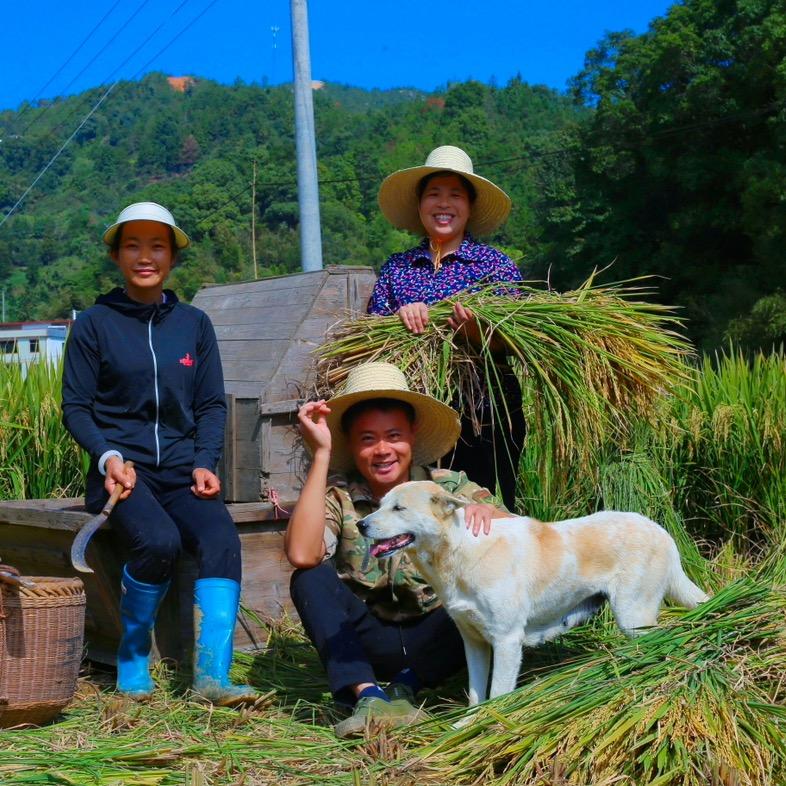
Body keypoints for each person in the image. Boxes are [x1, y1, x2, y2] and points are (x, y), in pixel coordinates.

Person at [61, 201, 256, 706]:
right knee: (158, 541)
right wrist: (107, 458)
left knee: (220, 536)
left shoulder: (194, 324)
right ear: (116, 255)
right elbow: (77, 409)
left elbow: (211, 403)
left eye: (156, 246)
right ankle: (132, 658)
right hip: (121, 476)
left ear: (171, 256)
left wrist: (204, 461)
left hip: (181, 470)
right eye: (132, 245)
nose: (144, 256)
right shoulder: (95, 325)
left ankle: (212, 676)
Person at [285, 362, 514, 737]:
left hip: (440, 635)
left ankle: (406, 688)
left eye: (393, 435)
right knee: (309, 578)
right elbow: (302, 554)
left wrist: (486, 513)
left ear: (412, 435)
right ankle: (367, 695)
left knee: (487, 589)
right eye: (367, 439)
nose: (382, 450)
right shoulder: (340, 496)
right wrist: (321, 457)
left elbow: (516, 541)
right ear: (352, 444)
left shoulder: (448, 488)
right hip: (368, 641)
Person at [369, 145, 526, 511]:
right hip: (418, 421)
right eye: (434, 194)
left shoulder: (495, 266)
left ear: (469, 207)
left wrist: (478, 334)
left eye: (455, 195)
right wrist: (399, 320)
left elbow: (516, 341)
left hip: (487, 415)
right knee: (428, 518)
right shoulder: (398, 268)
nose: (444, 204)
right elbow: (372, 341)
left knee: (487, 516)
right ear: (420, 205)